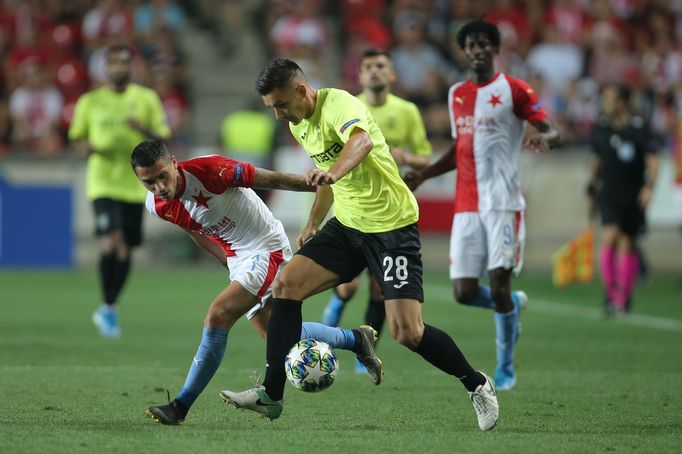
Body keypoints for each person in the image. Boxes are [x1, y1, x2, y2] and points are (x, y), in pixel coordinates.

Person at [220, 58, 499, 431]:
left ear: (301, 90)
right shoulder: (299, 124)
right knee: (285, 286)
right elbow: (326, 180)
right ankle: (271, 395)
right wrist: (314, 221)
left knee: (407, 332)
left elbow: (361, 142)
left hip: (392, 227)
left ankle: (476, 383)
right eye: (272, 108)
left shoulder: (341, 105)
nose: (278, 115)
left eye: (281, 105)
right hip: (349, 225)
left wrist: (333, 171)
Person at [131, 139, 383, 425]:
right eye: (149, 182)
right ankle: (355, 339)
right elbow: (192, 228)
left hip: (265, 247)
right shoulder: (157, 204)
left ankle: (180, 406)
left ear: (174, 162)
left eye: (163, 176)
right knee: (278, 334)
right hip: (239, 258)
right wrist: (224, 259)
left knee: (218, 315)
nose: (159, 187)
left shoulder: (211, 170)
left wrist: (322, 182)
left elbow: (271, 179)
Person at [404, 20, 561, 392]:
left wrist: (544, 137)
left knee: (500, 283)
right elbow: (461, 149)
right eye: (469, 45)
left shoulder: (515, 90)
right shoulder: (457, 93)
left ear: (494, 48)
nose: (476, 50)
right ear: (464, 51)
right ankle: (513, 305)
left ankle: (505, 368)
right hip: (466, 204)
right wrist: (426, 174)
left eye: (482, 43)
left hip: (503, 202)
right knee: (464, 292)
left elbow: (550, 127)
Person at [321, 48, 433, 373]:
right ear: (359, 75)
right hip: (354, 209)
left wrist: (408, 158)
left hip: (390, 213)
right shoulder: (348, 107)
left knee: (380, 289)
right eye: (368, 66)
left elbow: (425, 156)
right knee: (346, 286)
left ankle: (363, 356)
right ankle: (327, 330)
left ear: (392, 74)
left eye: (381, 66)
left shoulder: (407, 111)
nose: (374, 71)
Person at [68, 44, 170, 337]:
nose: (120, 68)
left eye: (125, 62)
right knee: (111, 239)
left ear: (131, 66)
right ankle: (108, 308)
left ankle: (109, 307)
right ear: (106, 67)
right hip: (102, 181)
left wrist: (143, 129)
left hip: (136, 183)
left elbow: (164, 136)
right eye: (114, 63)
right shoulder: (90, 101)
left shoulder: (146, 98)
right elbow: (77, 137)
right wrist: (85, 147)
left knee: (125, 247)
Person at [587, 84, 659, 315]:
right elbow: (596, 161)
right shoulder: (602, 129)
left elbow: (653, 162)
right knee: (609, 237)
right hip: (608, 193)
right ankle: (610, 296)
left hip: (632, 195)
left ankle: (624, 299)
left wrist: (648, 187)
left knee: (627, 243)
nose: (604, 102)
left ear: (622, 104)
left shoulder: (639, 129)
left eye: (609, 98)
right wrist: (590, 189)